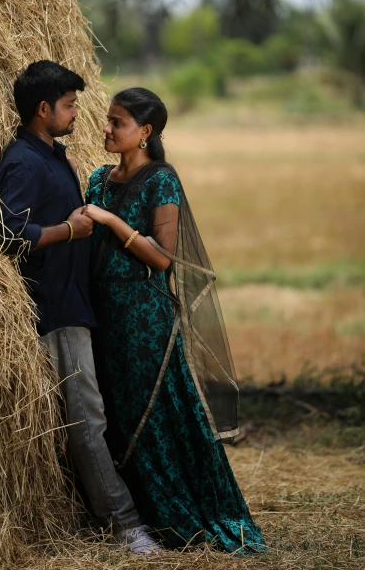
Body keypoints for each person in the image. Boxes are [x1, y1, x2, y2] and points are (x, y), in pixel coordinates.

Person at [83, 87, 266, 553]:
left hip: (145, 319)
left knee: (155, 413)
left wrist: (110, 221)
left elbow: (164, 259)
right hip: (103, 316)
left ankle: (174, 516)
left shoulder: (160, 179)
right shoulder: (98, 179)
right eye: (107, 119)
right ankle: (134, 517)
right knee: (115, 413)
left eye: (117, 122)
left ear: (144, 132)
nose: (106, 128)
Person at [0, 62, 162, 554]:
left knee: (92, 412)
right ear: (43, 109)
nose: (76, 114)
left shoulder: (55, 155)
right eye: (68, 105)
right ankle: (125, 524)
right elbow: (7, 234)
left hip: (76, 301)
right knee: (86, 417)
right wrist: (70, 231)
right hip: (56, 306)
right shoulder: (24, 162)